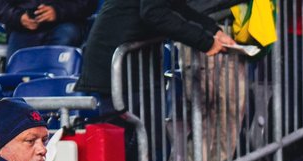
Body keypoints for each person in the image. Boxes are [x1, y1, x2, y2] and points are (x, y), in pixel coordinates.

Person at [75, 0, 235, 102]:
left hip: (135, 67)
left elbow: (176, 7)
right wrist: (206, 42)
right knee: (130, 144)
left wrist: (214, 31)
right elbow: (155, 13)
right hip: (115, 67)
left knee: (154, 143)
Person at [0, 0, 94, 57]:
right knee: (16, 76)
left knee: (67, 35)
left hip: (67, 24)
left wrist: (58, 11)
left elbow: (88, 4)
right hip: (23, 28)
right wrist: (18, 18)